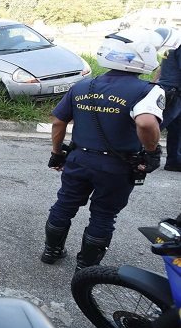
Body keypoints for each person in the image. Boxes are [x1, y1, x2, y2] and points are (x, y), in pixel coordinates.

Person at [41, 29, 165, 271]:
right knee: (104, 215)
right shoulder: (147, 90)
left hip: (79, 159)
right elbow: (147, 122)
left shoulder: (82, 86)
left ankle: (51, 251)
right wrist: (152, 152)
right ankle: (86, 267)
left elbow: (58, 122)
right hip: (116, 166)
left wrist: (57, 153)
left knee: (64, 206)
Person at [152, 29, 180, 172]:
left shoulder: (172, 46)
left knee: (176, 129)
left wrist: (151, 86)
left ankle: (175, 162)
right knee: (155, 126)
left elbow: (160, 70)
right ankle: (128, 153)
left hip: (166, 91)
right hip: (175, 94)